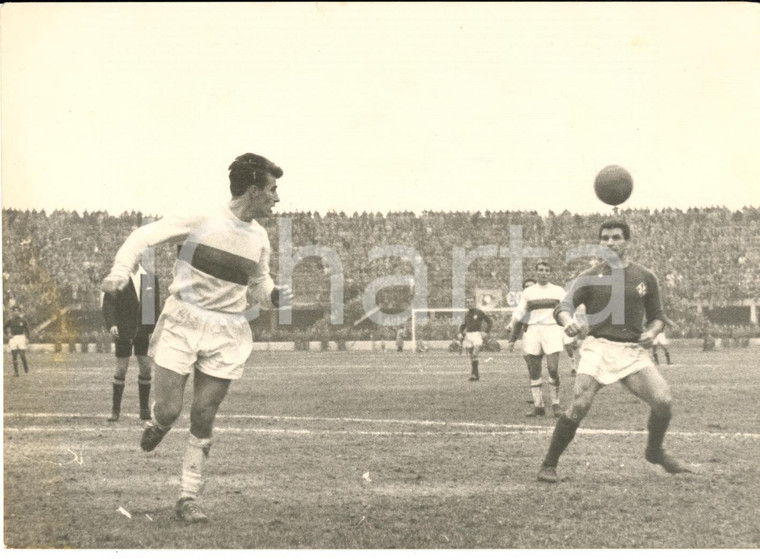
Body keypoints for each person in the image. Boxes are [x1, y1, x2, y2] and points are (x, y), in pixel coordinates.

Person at [101, 152, 292, 523]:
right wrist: (122, 270)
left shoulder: (260, 237)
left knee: (203, 414)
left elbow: (258, 284)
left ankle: (187, 498)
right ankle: (157, 423)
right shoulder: (202, 218)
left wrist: (272, 295)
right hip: (183, 320)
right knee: (170, 410)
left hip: (228, 329)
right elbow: (143, 235)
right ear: (252, 190)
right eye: (272, 189)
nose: (277, 197)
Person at [537, 220, 690, 483]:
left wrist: (652, 332)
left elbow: (657, 317)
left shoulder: (645, 276)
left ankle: (654, 451)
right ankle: (549, 464)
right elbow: (563, 306)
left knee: (663, 400)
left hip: (632, 350)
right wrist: (568, 322)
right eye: (605, 238)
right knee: (580, 404)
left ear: (627, 241)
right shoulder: (588, 276)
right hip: (598, 347)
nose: (610, 242)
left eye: (616, 237)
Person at [102, 260, 161, 422]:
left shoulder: (150, 278)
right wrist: (112, 324)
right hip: (123, 329)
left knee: (146, 369)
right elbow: (108, 304)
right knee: (121, 369)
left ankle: (144, 409)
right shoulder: (119, 278)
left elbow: (155, 307)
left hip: (143, 330)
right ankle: (115, 411)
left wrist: (153, 329)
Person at [507, 263, 566, 417]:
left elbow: (566, 311)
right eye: (540, 270)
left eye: (547, 270)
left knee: (553, 368)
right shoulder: (528, 292)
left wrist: (569, 329)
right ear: (536, 272)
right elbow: (519, 314)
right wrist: (512, 335)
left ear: (550, 273)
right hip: (533, 329)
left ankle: (555, 404)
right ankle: (538, 406)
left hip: (552, 329)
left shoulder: (558, 291)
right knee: (534, 369)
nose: (543, 273)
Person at [459, 296, 493, 381]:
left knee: (474, 353)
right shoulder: (466, 314)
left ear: (474, 303)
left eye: (471, 302)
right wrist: (460, 333)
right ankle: (475, 374)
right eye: (468, 302)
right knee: (472, 356)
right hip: (468, 336)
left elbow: (489, 321)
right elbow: (463, 325)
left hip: (477, 335)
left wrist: (486, 332)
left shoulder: (479, 312)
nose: (469, 304)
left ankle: (474, 374)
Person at [4, 306, 30, 376]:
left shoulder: (23, 320)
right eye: (14, 311)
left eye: (17, 311)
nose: (16, 312)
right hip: (13, 338)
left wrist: (27, 338)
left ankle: (25, 366)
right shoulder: (10, 320)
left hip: (21, 337)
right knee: (14, 355)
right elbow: (4, 327)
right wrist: (8, 334)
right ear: (13, 312)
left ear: (19, 312)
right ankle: (16, 372)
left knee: (22, 355)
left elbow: (27, 329)